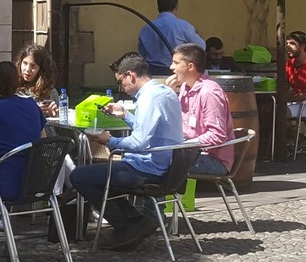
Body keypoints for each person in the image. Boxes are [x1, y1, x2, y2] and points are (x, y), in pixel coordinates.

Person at [68, 52, 183, 249]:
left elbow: (139, 142)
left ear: (131, 75)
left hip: (147, 169)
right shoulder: (164, 92)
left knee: (79, 176)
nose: (122, 88)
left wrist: (109, 140)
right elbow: (152, 129)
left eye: (121, 82)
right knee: (102, 176)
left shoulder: (149, 98)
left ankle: (127, 225)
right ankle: (133, 221)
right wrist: (125, 115)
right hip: (165, 166)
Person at [0, 61, 48, 204]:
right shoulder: (32, 105)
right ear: (17, 81)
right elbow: (43, 140)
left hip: (6, 183)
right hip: (35, 182)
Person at [171, 44, 234, 178]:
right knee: (149, 157)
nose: (171, 67)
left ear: (190, 67)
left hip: (214, 160)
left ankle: (158, 198)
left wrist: (184, 145)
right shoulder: (184, 88)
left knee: (160, 162)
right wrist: (168, 94)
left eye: (176, 63)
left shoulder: (209, 92)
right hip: (191, 153)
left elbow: (217, 135)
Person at [139, 0, 203, 75]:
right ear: (176, 7)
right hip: (176, 72)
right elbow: (201, 47)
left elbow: (142, 54)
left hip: (153, 72)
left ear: (158, 8)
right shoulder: (183, 26)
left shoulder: (146, 28)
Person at [16, 42, 60, 117]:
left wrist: (53, 115)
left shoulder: (49, 91)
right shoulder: (13, 88)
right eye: (25, 63)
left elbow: (60, 121)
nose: (27, 70)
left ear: (41, 69)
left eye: (33, 66)